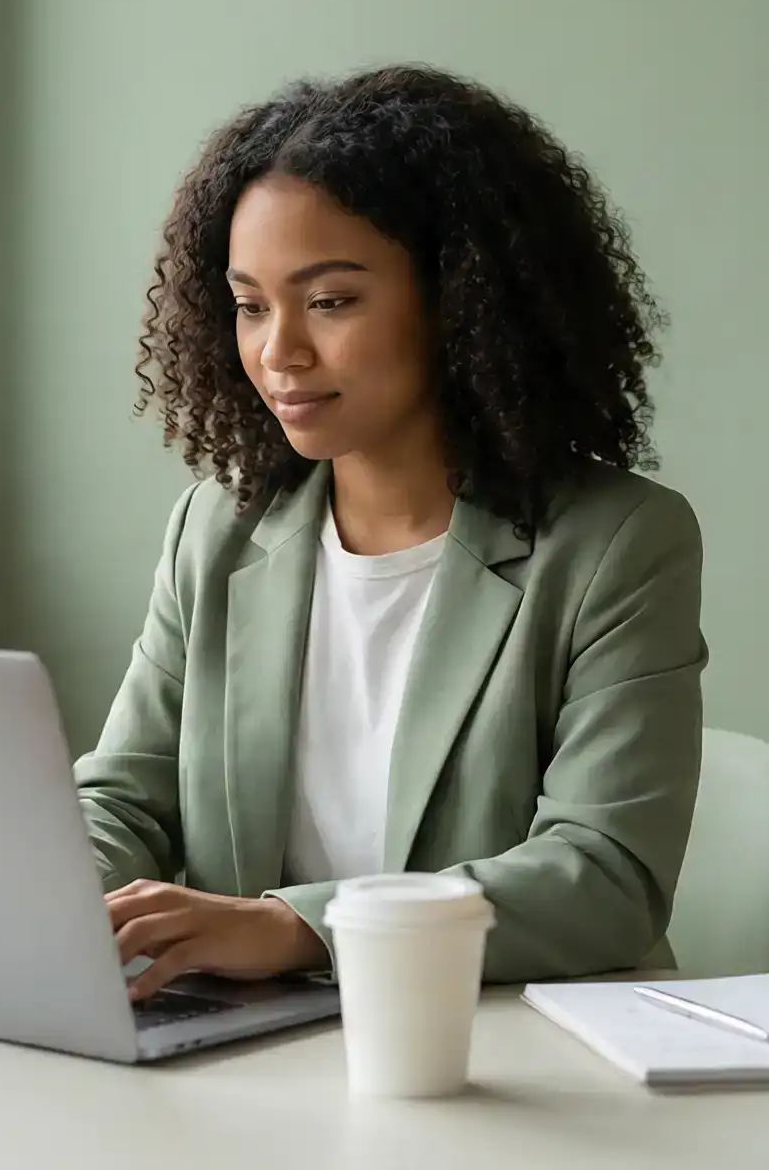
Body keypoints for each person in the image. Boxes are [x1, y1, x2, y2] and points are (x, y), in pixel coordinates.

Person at [75, 64, 706, 1002]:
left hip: (500, 1052)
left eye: (330, 301)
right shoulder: (217, 528)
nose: (279, 351)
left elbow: (605, 880)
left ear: (460, 299)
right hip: (251, 1055)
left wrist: (292, 926)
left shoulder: (617, 542)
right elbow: (124, 799)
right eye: (251, 305)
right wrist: (59, 901)